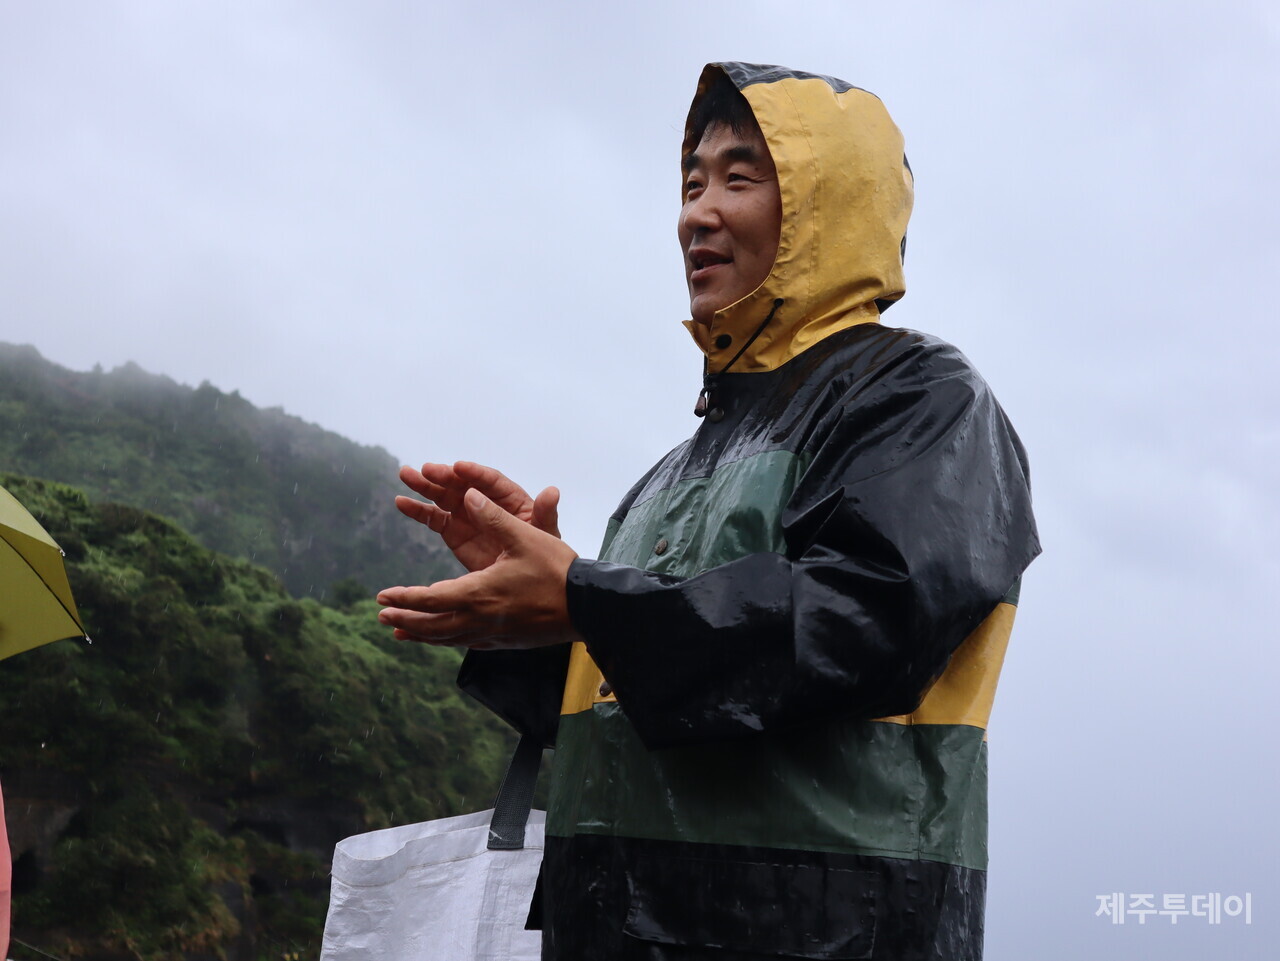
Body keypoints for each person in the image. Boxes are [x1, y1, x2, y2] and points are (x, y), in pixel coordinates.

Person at [378, 62, 1040, 961]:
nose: (698, 212)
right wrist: (533, 612)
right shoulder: (665, 476)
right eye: (691, 183)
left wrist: (584, 598)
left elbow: (860, 628)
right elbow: (643, 715)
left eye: (740, 176)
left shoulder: (924, 399)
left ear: (827, 202)